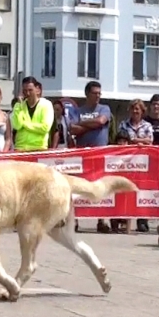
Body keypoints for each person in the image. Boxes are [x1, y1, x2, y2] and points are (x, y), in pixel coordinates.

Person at [70, 81, 112, 232]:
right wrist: (91, 125)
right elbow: (73, 129)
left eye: (100, 93)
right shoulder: (76, 110)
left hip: (100, 154)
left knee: (101, 187)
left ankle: (102, 220)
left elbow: (101, 121)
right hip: (82, 155)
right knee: (80, 188)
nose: (98, 96)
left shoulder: (105, 108)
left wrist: (82, 124)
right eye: (95, 93)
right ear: (87, 94)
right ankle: (76, 220)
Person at [11, 76, 54, 151]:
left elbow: (45, 128)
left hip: (39, 148)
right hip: (21, 147)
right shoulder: (18, 106)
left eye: (30, 90)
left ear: (37, 89)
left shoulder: (46, 104)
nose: (27, 93)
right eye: (25, 91)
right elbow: (17, 125)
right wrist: (19, 106)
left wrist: (24, 124)